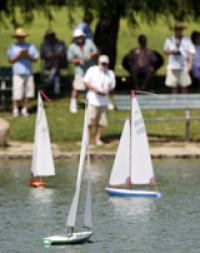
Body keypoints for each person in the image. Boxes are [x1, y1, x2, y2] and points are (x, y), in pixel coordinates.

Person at [83, 55, 116, 146]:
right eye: (103, 63)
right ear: (99, 62)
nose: (104, 65)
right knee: (90, 121)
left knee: (101, 122)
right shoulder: (92, 70)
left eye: (106, 64)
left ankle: (97, 138)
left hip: (104, 101)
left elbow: (112, 86)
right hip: (92, 100)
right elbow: (85, 82)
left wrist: (107, 90)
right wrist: (95, 89)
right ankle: (88, 139)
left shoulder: (110, 73)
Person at [7, 28, 39, 117]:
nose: (20, 38)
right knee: (17, 93)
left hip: (28, 72)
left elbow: (35, 58)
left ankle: (25, 109)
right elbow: (10, 60)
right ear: (16, 37)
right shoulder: (12, 47)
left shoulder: (30, 46)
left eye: (22, 37)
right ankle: (15, 109)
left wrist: (28, 55)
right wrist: (18, 56)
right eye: (19, 37)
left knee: (28, 92)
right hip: (17, 73)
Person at [67, 28, 98, 113]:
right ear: (75, 38)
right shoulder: (72, 47)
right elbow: (70, 59)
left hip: (91, 69)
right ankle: (73, 104)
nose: (79, 39)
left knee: (93, 88)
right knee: (77, 88)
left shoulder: (89, 42)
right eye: (77, 37)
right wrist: (78, 61)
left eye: (81, 37)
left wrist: (90, 55)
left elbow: (96, 52)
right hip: (80, 71)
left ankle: (92, 104)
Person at [163, 22, 195, 93]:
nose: (178, 31)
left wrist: (190, 64)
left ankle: (184, 102)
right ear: (174, 30)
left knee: (184, 85)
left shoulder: (187, 40)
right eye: (177, 29)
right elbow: (165, 51)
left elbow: (191, 52)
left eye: (180, 29)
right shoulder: (169, 40)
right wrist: (172, 52)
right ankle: (174, 102)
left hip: (183, 65)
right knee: (174, 86)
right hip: (173, 65)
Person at [40, 28, 67, 94]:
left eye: (52, 35)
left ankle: (50, 79)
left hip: (60, 62)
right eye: (49, 36)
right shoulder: (44, 44)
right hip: (49, 63)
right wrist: (49, 56)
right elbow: (42, 55)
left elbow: (63, 53)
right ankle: (56, 89)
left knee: (56, 62)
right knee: (56, 67)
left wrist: (55, 56)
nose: (51, 37)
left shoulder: (60, 43)